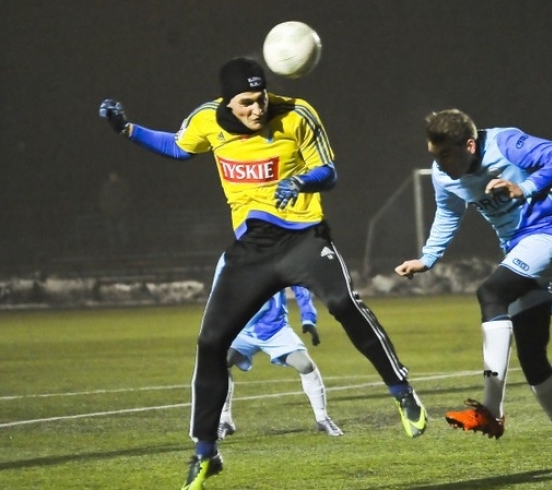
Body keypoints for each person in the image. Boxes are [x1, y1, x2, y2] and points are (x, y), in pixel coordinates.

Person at [98, 57, 426, 490]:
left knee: (344, 303)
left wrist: (303, 182)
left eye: (262, 98)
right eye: (247, 102)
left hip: (303, 240)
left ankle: (402, 392)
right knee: (210, 342)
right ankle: (204, 454)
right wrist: (128, 129)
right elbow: (178, 146)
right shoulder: (206, 120)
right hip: (251, 252)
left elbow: (329, 171)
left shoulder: (297, 114)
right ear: (228, 103)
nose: (257, 109)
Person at [394, 109, 552, 490]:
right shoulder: (445, 174)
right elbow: (448, 214)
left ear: (469, 145)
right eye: (433, 155)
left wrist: (529, 185)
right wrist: (426, 259)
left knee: (490, 292)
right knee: (533, 358)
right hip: (521, 247)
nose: (439, 164)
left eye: (445, 155)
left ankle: (491, 410)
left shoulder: (506, 142)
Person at [217, 273, 343, 439]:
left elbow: (300, 285)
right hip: (242, 329)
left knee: (306, 365)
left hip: (276, 329)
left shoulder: (280, 256)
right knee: (217, 363)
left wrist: (308, 319)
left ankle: (322, 418)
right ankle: (224, 420)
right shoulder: (238, 257)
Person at [98, 170, 132, 252]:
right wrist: (105, 209)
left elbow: (126, 198)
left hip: (121, 212)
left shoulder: (122, 186)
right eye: (111, 176)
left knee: (122, 230)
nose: (113, 178)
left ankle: (124, 247)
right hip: (109, 212)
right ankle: (112, 247)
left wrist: (122, 208)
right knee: (110, 231)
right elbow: (102, 199)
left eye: (114, 176)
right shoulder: (105, 187)